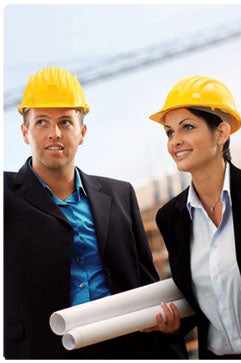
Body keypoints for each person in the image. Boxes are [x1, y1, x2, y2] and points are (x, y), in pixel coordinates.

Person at [4, 66, 188, 359]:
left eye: (65, 122)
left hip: (125, 348)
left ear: (82, 132)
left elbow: (146, 283)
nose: (54, 133)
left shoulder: (119, 195)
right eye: (41, 122)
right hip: (44, 350)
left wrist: (170, 325)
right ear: (25, 133)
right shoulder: (6, 196)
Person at [147, 75, 241, 359]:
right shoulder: (171, 218)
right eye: (169, 132)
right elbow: (197, 297)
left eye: (187, 128)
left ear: (221, 133)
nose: (175, 142)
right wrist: (173, 325)